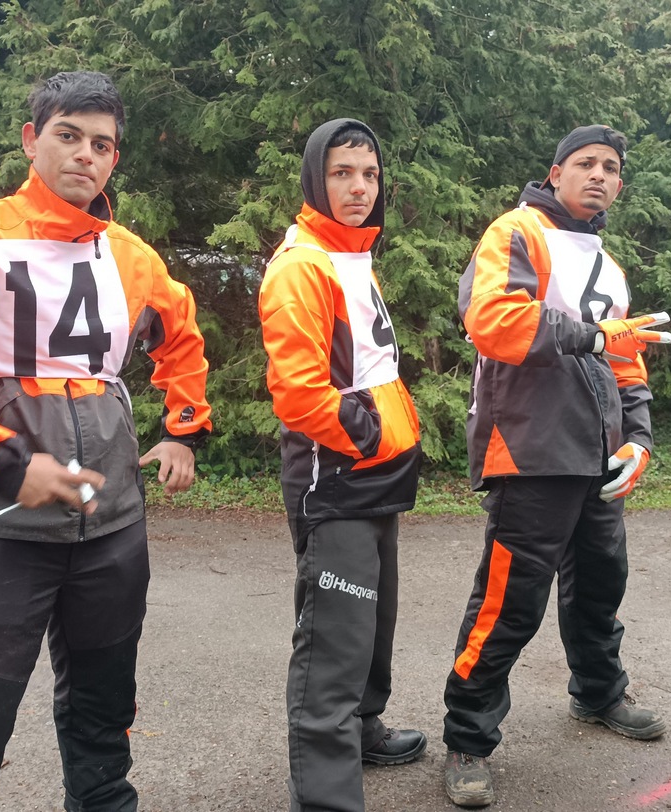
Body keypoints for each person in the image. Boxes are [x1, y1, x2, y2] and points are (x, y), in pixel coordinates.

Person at [0, 71, 212, 812]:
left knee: (104, 706)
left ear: (114, 158)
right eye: (68, 136)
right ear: (32, 141)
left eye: (102, 144)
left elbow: (181, 337)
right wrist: (3, 463)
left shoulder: (132, 256)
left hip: (110, 524)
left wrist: (184, 429)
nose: (86, 155)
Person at [441, 125, 671, 808]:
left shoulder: (608, 263)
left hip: (600, 451)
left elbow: (626, 359)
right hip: (530, 448)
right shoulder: (516, 232)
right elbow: (493, 320)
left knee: (601, 584)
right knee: (509, 604)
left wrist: (639, 438)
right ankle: (468, 739)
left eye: (612, 167)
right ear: (556, 172)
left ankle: (598, 694)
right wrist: (592, 334)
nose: (599, 175)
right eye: (586, 163)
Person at [257, 118, 426, 812]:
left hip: (376, 470)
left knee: (373, 621)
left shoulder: (351, 252)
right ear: (314, 179)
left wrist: (387, 439)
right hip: (335, 476)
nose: (359, 188)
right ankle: (326, 795)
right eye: (342, 174)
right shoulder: (302, 264)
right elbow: (300, 395)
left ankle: (363, 728)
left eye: (370, 175)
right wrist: (370, 435)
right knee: (335, 636)